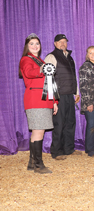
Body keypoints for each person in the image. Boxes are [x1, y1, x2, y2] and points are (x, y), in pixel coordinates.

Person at [19, 33, 58, 174]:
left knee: (38, 130)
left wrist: (54, 101)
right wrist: (42, 69)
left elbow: (49, 83)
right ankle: (38, 164)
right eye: (32, 44)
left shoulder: (39, 60)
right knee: (38, 131)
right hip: (35, 100)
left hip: (43, 100)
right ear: (27, 46)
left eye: (37, 44)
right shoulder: (26, 60)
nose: (35, 46)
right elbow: (29, 73)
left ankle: (32, 162)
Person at [45, 34, 81, 160]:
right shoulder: (51, 56)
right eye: (60, 42)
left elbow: (73, 76)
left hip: (69, 94)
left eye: (65, 41)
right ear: (55, 44)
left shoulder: (70, 58)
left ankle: (68, 148)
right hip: (58, 95)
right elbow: (48, 78)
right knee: (59, 123)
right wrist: (52, 97)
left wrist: (76, 92)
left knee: (70, 122)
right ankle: (57, 151)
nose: (63, 44)